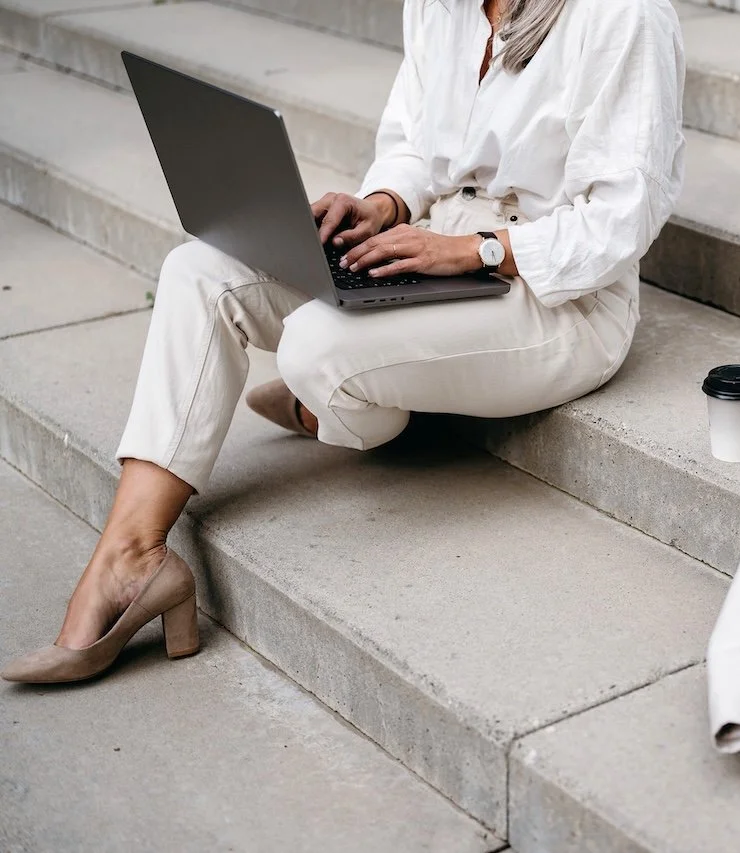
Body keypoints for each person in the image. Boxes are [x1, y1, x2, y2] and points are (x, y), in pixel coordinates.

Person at [2, 0, 686, 683]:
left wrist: (474, 249)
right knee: (199, 271)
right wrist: (383, 204)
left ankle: (369, 406)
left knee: (313, 348)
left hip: (553, 291)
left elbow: (622, 218)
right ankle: (131, 555)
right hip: (428, 242)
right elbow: (415, 143)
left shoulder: (624, 14)